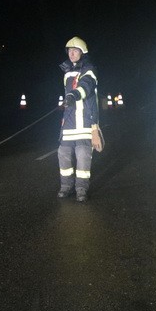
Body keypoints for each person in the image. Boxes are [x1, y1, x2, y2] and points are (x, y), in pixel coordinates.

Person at [58, 36, 103, 203]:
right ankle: (65, 186)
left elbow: (86, 86)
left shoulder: (90, 69)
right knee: (63, 154)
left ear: (82, 53)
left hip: (85, 122)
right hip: (69, 123)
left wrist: (94, 128)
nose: (72, 53)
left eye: (75, 50)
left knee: (83, 156)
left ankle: (81, 189)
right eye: (70, 51)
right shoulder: (67, 73)